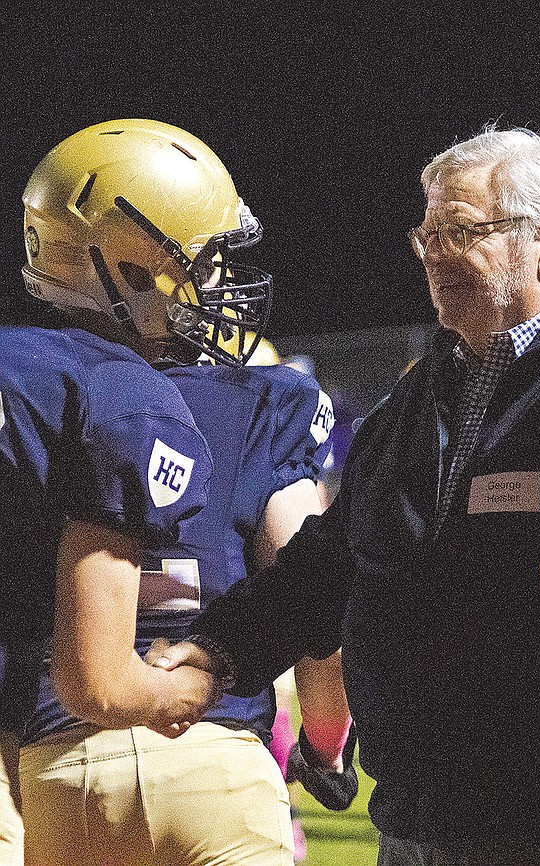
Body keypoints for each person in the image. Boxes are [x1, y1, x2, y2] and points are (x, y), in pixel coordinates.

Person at [158, 123, 540, 866]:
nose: (434, 253)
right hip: (426, 818)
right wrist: (217, 651)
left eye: (460, 230)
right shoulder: (419, 399)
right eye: (426, 233)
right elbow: (328, 565)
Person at [9, 120, 354, 866]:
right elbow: (311, 587)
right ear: (129, 271)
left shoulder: (29, 386)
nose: (220, 280)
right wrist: (326, 745)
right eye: (205, 261)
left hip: (49, 768)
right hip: (206, 748)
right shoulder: (260, 402)